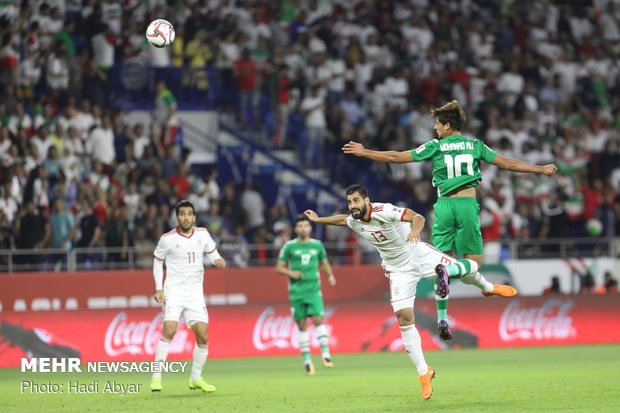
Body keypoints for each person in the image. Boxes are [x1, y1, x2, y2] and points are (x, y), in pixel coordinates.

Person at [342, 100, 557, 340]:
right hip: (466, 206)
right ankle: (477, 283)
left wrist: (365, 151)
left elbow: (397, 157)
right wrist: (541, 169)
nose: (434, 128)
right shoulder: (476, 145)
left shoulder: (436, 146)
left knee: (438, 265)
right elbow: (508, 164)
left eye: (436, 124)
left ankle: (443, 318)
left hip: (443, 207)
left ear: (447, 125)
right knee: (473, 263)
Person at [304, 184, 514, 400]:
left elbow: (418, 217)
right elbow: (342, 220)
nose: (352, 206)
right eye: (349, 202)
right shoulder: (354, 220)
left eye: (356, 201)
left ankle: (488, 288)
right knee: (403, 317)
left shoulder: (383, 210)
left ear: (367, 201)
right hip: (398, 270)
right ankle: (424, 373)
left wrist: (415, 229)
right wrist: (319, 220)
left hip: (418, 254)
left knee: (466, 271)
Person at [150, 200, 227, 393]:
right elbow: (158, 262)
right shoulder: (167, 239)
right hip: (174, 292)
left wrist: (218, 260)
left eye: (189, 214)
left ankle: (196, 378)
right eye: (182, 214)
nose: (186, 217)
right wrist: (158, 288)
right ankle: (156, 376)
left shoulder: (202, 234)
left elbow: (213, 253)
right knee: (169, 331)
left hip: (194, 295)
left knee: (203, 336)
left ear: (194, 217)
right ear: (177, 217)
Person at [275, 215, 337, 376]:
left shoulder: (317, 245)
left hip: (313, 289)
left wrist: (330, 276)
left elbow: (324, 262)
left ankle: (325, 354)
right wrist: (291, 272)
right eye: (300, 226)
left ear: (310, 228)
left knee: (318, 319)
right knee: (302, 325)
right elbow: (279, 267)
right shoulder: (289, 246)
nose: (303, 228)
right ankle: (308, 361)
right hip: (297, 292)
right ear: (296, 229)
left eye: (305, 225)